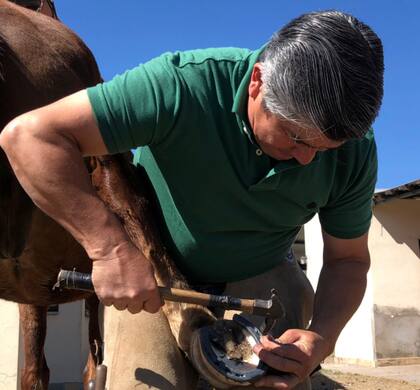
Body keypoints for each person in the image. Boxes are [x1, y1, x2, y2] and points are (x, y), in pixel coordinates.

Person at [0, 10, 383, 389]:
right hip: (154, 274)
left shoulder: (354, 152)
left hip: (265, 274)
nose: (307, 158)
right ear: (256, 84)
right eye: (295, 137)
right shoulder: (181, 86)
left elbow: (347, 261)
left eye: (325, 147)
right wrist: (110, 250)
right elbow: (29, 138)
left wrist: (322, 339)